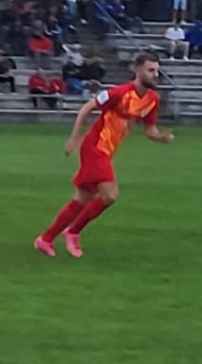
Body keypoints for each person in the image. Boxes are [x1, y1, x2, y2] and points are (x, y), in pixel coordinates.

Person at [34, 51, 172, 259]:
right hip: (95, 147)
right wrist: (75, 137)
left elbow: (149, 130)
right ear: (137, 70)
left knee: (82, 199)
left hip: (107, 151)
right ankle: (72, 232)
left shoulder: (152, 99)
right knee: (110, 195)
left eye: (157, 71)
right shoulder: (119, 93)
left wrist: (161, 138)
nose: (155, 75)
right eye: (151, 70)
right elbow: (87, 108)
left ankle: (45, 239)